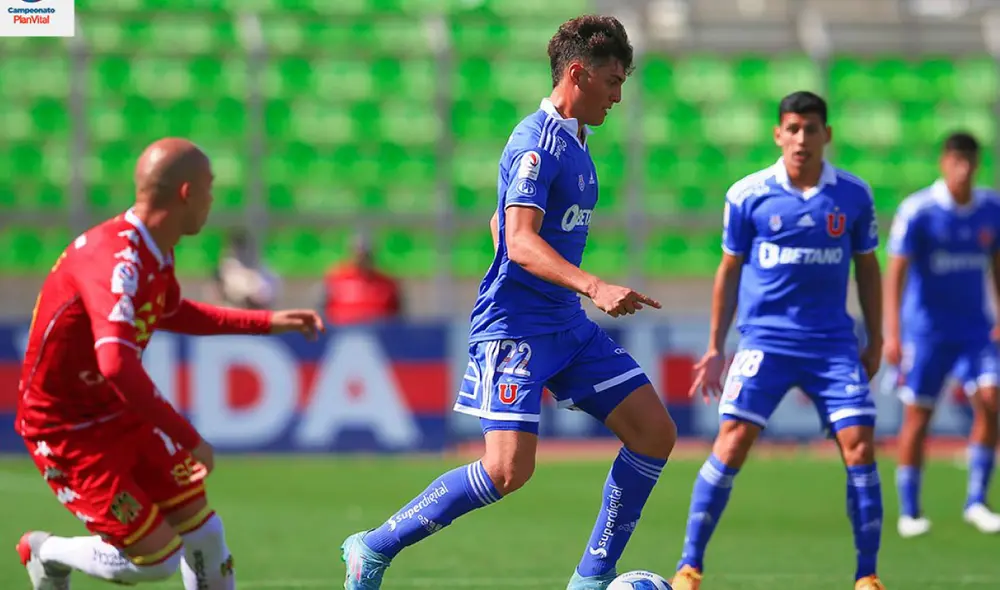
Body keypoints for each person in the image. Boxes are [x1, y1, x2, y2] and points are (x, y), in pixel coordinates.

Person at [340, 15, 676, 590]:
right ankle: (372, 548)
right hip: (515, 330)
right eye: (613, 81)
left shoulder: (579, 143)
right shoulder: (537, 144)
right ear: (577, 74)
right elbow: (519, 240)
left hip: (565, 326)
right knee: (506, 471)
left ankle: (592, 577)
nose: (619, 95)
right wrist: (594, 285)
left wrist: (528, 259)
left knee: (654, 433)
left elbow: (503, 224)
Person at [14, 138, 324, 589]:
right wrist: (188, 436)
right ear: (186, 194)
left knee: (205, 534)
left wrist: (267, 322)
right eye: (209, 189)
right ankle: (47, 552)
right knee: (155, 559)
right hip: (67, 428)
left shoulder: (155, 248)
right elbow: (116, 363)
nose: (213, 201)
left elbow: (173, 311)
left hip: (117, 411)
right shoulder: (115, 261)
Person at [672, 91, 886, 590]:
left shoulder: (854, 195)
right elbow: (728, 272)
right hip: (764, 342)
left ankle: (867, 575)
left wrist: (876, 337)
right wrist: (713, 346)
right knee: (734, 440)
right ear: (778, 134)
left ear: (826, 135)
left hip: (833, 344)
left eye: (811, 129)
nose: (802, 139)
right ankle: (689, 565)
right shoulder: (747, 194)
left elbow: (869, 269)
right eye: (792, 129)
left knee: (859, 446)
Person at [884, 131, 1000, 538]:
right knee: (919, 417)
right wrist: (892, 332)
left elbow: (996, 265)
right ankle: (910, 509)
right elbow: (895, 272)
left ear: (977, 163)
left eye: (970, 161)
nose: (963, 169)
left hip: (975, 329)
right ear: (944, 163)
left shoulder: (991, 209)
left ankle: (976, 501)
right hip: (926, 332)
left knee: (990, 398)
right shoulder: (919, 211)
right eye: (956, 160)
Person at [321, 232, 402, 326]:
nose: (361, 258)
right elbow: (323, 310)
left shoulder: (387, 283)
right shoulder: (336, 279)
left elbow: (397, 315)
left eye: (365, 254)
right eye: (358, 253)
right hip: (342, 333)